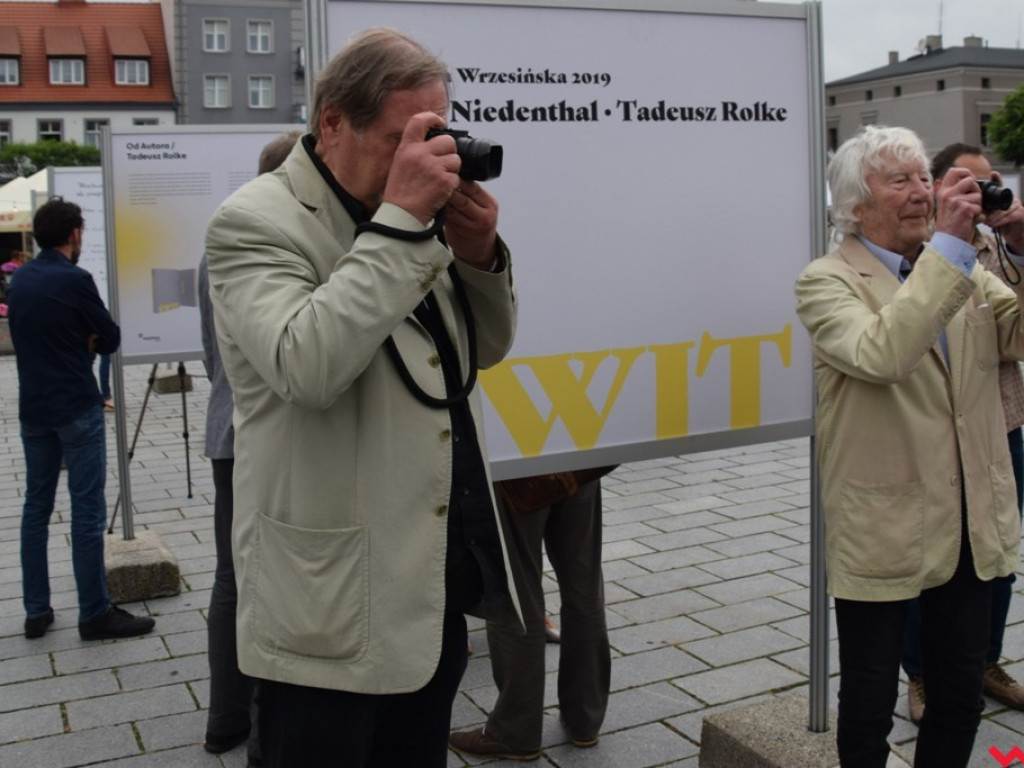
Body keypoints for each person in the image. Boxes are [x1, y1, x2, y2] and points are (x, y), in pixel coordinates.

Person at [204, 27, 520, 768]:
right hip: (330, 608)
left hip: (425, 584)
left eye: (434, 134)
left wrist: (477, 258)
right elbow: (306, 365)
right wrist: (406, 222)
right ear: (332, 123)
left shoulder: (412, 217)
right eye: (399, 138)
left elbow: (484, 352)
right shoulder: (254, 221)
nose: (422, 159)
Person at [795, 125, 1024, 767]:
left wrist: (1022, 249)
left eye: (925, 176)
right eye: (900, 180)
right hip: (885, 522)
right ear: (853, 204)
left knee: (958, 693)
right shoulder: (827, 280)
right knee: (869, 701)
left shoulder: (966, 271)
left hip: (968, 522)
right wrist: (952, 247)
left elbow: (1017, 336)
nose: (922, 191)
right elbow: (885, 352)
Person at [900, 143, 1024, 725]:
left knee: (996, 557)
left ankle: (984, 661)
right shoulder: (921, 244)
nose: (984, 195)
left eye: (990, 182)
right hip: (933, 434)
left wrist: (1020, 238)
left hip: (1003, 424)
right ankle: (923, 673)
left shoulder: (998, 245)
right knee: (931, 560)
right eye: (969, 184)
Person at [8, 197, 155, 641]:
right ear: (74, 234)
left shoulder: (21, 280)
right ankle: (93, 612)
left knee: (36, 509)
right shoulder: (76, 280)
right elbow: (109, 337)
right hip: (75, 404)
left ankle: (37, 611)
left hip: (33, 409)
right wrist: (85, 340)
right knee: (86, 511)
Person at [199, 130, 299, 764]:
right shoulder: (262, 235)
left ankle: (225, 718)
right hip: (254, 433)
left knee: (231, 576)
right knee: (259, 579)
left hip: (223, 427)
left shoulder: (221, 237)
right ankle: (254, 716)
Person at [449, 471, 612, 760]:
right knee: (583, 584)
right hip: (579, 447)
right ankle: (585, 718)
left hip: (516, 457)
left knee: (516, 586)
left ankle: (515, 730)